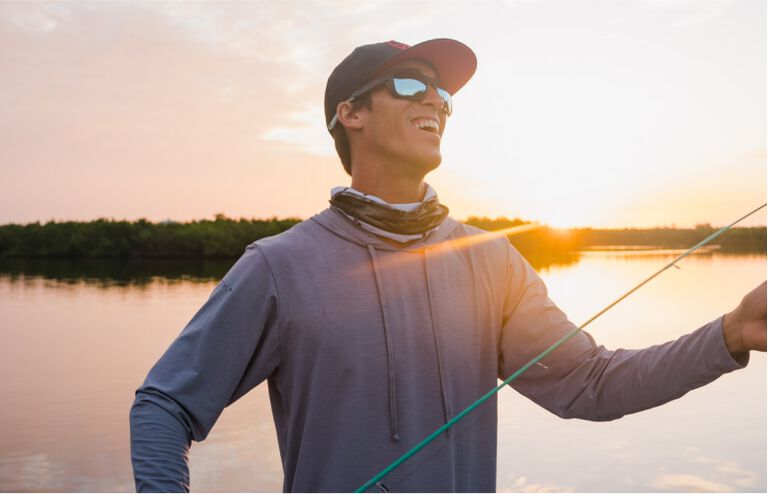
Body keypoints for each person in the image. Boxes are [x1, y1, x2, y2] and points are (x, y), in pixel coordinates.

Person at [129, 38, 766, 492]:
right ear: (350, 114)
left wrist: (730, 333)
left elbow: (592, 384)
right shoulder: (279, 266)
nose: (434, 100)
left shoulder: (492, 260)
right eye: (411, 84)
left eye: (443, 94)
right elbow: (164, 405)